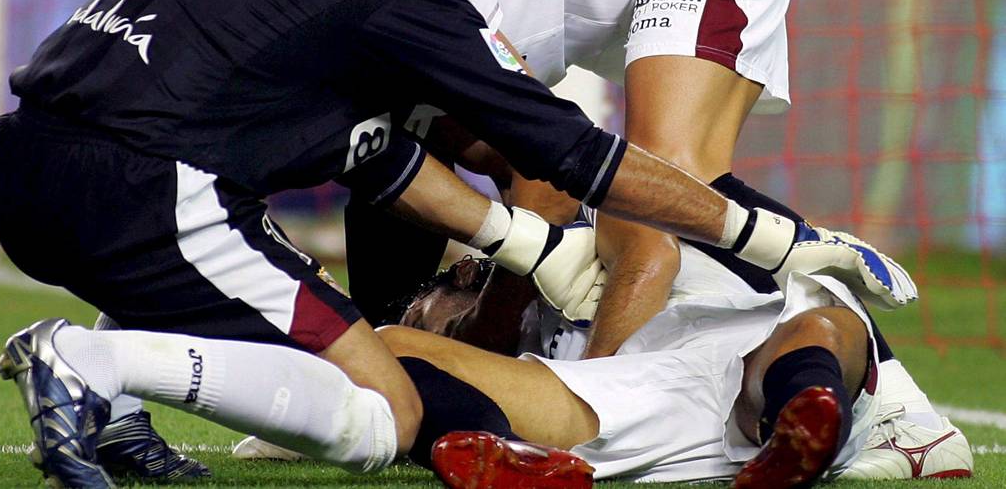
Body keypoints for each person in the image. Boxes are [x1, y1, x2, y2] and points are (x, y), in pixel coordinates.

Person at [0, 0, 899, 487]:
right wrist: (770, 236)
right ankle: (96, 363)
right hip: (145, 189)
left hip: (25, 163)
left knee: (262, 239)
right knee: (382, 404)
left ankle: (119, 396)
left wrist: (528, 254)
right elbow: (566, 154)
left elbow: (372, 153)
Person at [331, 0, 965, 479]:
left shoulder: (431, 0)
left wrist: (546, 350)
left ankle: (903, 415)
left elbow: (549, 182)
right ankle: (372, 400)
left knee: (666, 174)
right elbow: (381, 159)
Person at [378, 227, 971, 487]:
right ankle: (502, 451)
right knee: (385, 350)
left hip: (738, 339)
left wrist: (598, 361)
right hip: (635, 398)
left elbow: (650, 253)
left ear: (458, 275)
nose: (440, 341)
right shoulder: (529, 349)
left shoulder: (581, 220)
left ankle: (799, 413)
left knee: (820, 325)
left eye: (425, 313)